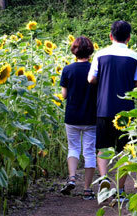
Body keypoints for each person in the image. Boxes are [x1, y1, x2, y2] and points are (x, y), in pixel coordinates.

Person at [87, 21, 137, 204]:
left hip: (103, 107)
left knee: (103, 146)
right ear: (129, 38)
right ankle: (119, 190)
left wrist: (103, 82)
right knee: (125, 150)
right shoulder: (135, 57)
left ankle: (104, 178)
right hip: (126, 111)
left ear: (111, 36)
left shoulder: (101, 54)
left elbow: (91, 78)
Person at [59, 36, 97, 199]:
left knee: (73, 148)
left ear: (74, 51)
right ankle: (87, 189)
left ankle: (72, 178)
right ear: (90, 52)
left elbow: (64, 95)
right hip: (91, 116)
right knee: (89, 151)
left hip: (72, 116)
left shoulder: (68, 70)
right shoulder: (95, 70)